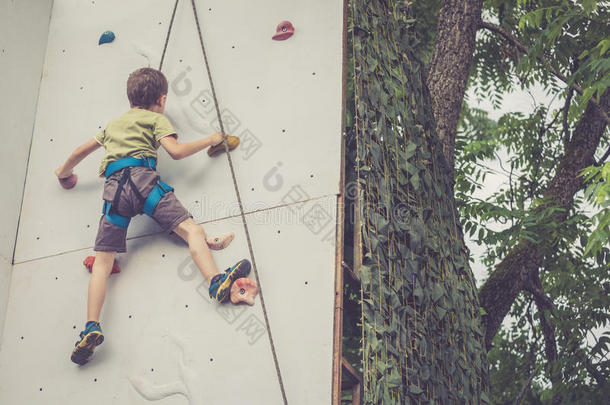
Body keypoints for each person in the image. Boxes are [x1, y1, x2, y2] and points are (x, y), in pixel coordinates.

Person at [55, 67, 250, 365]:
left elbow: (81, 150)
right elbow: (177, 151)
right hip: (145, 183)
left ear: (130, 97)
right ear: (161, 99)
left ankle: (91, 326)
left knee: (103, 263)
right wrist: (211, 139)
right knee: (192, 231)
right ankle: (215, 281)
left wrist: (64, 173)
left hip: (114, 192)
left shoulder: (113, 124)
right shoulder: (157, 118)